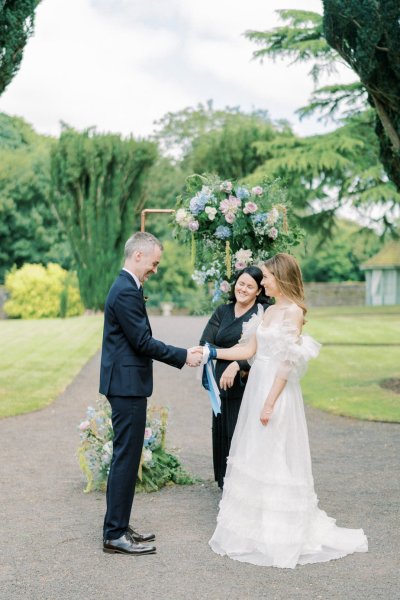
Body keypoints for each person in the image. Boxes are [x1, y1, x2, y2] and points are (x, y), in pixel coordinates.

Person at [203, 253, 368, 568]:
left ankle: (279, 532)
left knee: (276, 454)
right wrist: (212, 351)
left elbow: (288, 363)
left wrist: (269, 402)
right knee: (255, 453)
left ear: (280, 277)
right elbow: (250, 350)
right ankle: (253, 530)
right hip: (258, 387)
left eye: (266, 276)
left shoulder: (293, 312)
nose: (263, 282)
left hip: (277, 392)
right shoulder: (269, 311)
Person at [100, 232, 202, 556]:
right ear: (139, 256)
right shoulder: (126, 291)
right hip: (126, 387)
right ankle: (114, 534)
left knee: (127, 459)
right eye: (155, 263)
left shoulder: (130, 287)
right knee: (126, 459)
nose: (155, 269)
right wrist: (183, 355)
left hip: (127, 384)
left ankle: (119, 525)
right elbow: (142, 342)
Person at [199, 266, 270, 489]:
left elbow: (264, 348)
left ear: (259, 290)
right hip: (219, 384)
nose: (244, 289)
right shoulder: (223, 311)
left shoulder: (264, 312)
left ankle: (243, 484)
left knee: (240, 432)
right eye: (241, 283)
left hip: (247, 381)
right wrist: (225, 358)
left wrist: (237, 363)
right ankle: (224, 482)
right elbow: (205, 343)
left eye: (250, 286)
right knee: (221, 431)